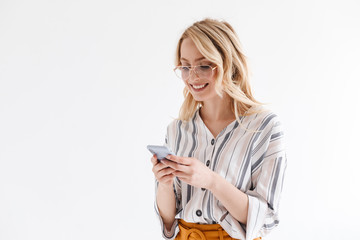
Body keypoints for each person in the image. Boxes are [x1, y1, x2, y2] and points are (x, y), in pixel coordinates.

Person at [151, 18, 287, 240]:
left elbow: (266, 219)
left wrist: (211, 181)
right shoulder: (176, 130)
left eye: (204, 66)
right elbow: (168, 222)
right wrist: (165, 185)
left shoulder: (265, 127)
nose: (192, 77)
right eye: (185, 67)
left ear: (229, 64)